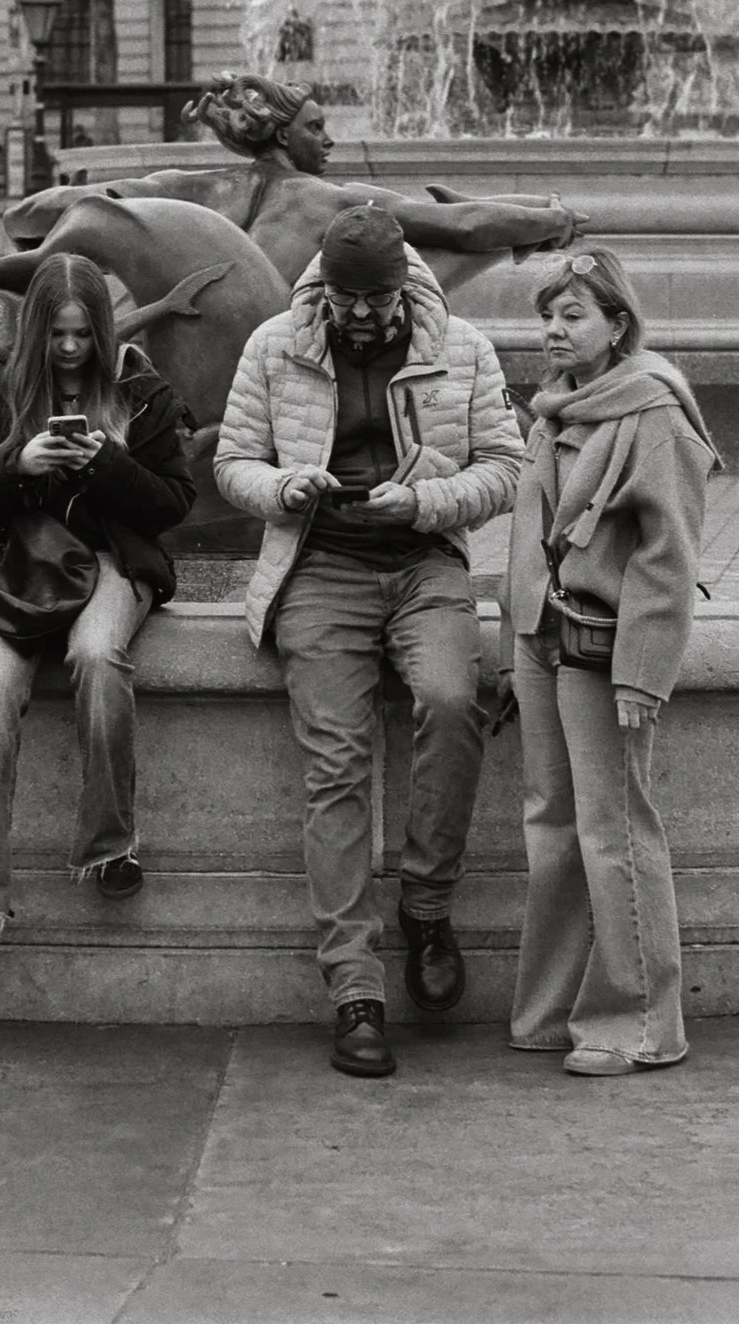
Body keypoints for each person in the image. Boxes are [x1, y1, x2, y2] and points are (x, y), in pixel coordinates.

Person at [216, 204, 523, 1077]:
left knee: (452, 700)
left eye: (374, 299)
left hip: (424, 561)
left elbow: (506, 463)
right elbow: (232, 460)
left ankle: (426, 903)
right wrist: (284, 487)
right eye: (344, 299)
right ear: (323, 287)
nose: (358, 315)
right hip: (319, 568)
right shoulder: (275, 343)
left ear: (402, 285)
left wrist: (423, 503)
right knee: (334, 767)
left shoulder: (460, 347)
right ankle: (354, 987)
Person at [0, 255, 196, 969]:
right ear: (36, 332)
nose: (71, 349)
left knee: (97, 656)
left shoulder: (141, 392)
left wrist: (107, 462)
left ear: (102, 331)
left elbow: (174, 503)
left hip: (111, 559)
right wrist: (17, 463)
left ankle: (109, 846)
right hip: (16, 563)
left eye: (83, 334)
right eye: (57, 335)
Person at [501, 246, 716, 1078]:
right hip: (541, 639)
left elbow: (668, 557)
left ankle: (638, 1024)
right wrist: (514, 630)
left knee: (613, 830)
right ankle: (554, 1011)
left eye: (572, 316)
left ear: (616, 324)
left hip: (604, 650)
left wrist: (642, 673)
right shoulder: (553, 408)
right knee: (550, 826)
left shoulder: (652, 412)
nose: (553, 331)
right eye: (546, 317)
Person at [4, 72, 582, 290]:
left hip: (167, 364)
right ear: (281, 135)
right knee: (421, 251)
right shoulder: (330, 201)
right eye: (316, 127)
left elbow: (30, 213)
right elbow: (467, 223)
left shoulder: (186, 186)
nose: (329, 140)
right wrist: (554, 217)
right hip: (275, 368)